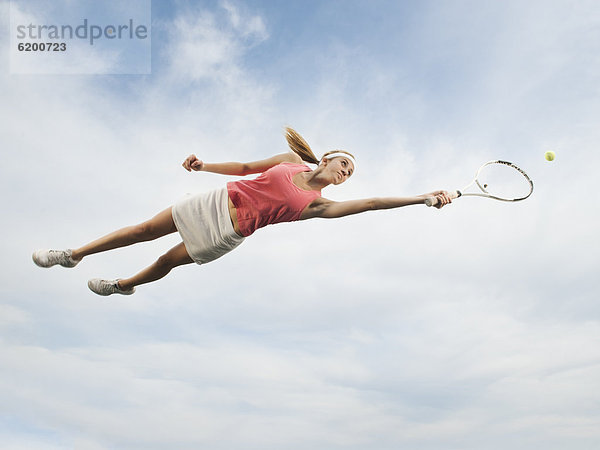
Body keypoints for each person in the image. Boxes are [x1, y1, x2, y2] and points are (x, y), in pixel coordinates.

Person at [32, 128, 452, 296]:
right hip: (214, 201)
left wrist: (422, 198)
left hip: (228, 231)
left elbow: (375, 203)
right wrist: (204, 166)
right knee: (144, 229)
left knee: (165, 261)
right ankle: (73, 255)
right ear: (326, 160)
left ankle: (125, 284)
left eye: (350, 174)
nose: (345, 174)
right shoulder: (290, 160)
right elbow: (248, 168)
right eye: (343, 164)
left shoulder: (319, 205)